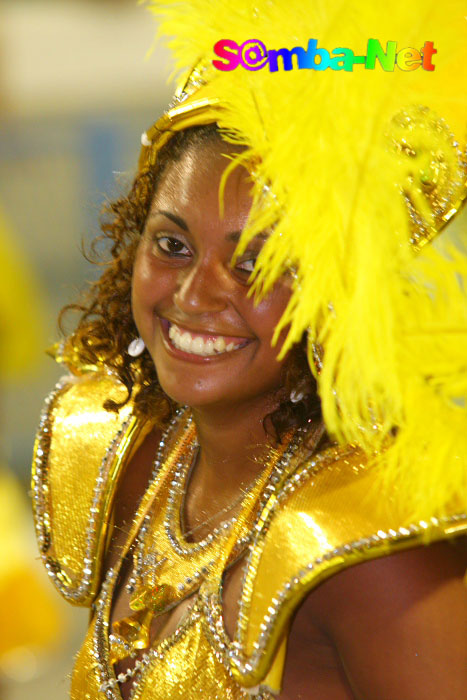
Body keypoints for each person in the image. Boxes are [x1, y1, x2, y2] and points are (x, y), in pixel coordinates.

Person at [32, 1, 467, 698]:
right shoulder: (127, 452)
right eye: (172, 245)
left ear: (347, 295)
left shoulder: (372, 554)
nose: (195, 295)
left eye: (261, 266)